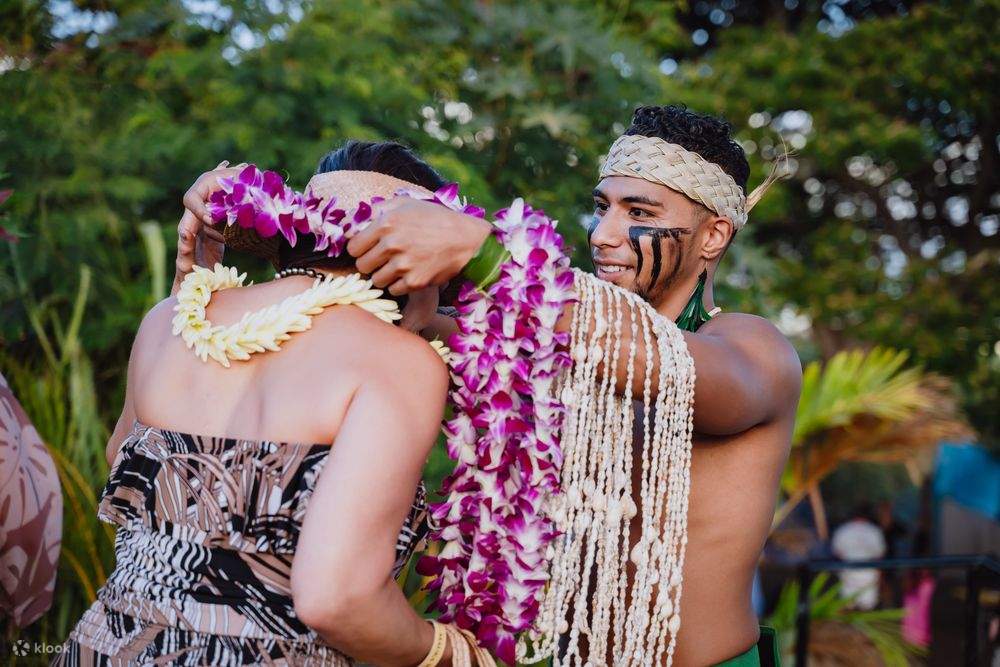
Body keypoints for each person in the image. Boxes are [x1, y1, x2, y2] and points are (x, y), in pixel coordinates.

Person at [177, 107, 801, 666]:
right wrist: (237, 243)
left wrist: (488, 255)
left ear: (713, 236)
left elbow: (680, 373)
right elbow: (356, 319)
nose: (603, 234)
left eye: (638, 213)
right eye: (602, 206)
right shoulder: (544, 343)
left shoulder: (753, 349)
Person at [55, 141, 488, 666]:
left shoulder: (170, 320)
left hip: (105, 648)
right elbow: (336, 600)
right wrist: (453, 653)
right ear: (426, 270)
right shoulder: (400, 362)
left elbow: (122, 464)